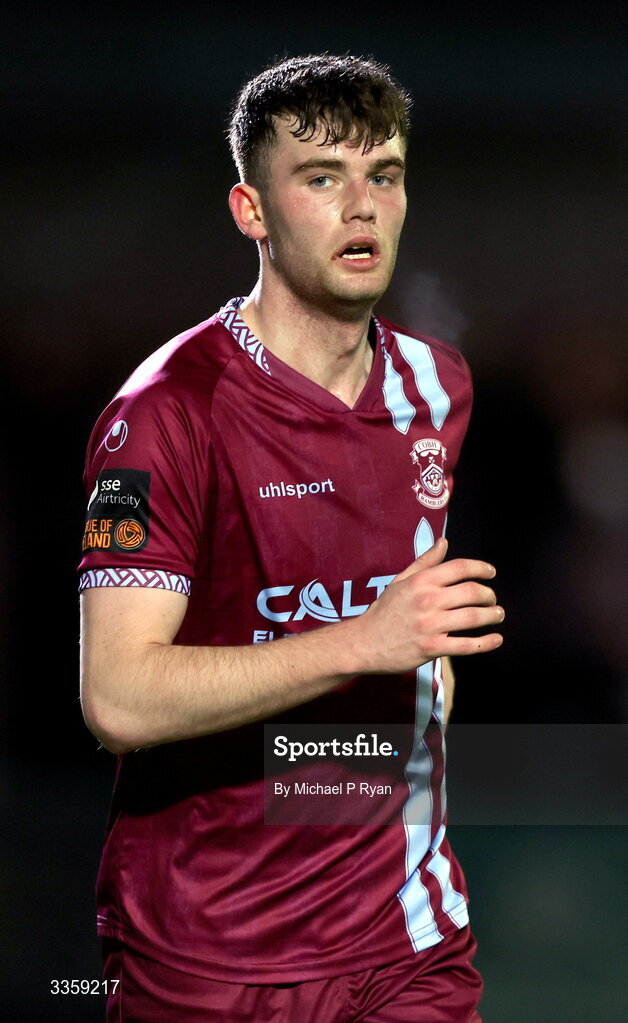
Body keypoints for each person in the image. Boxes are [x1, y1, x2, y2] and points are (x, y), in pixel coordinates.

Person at [79, 54, 504, 1023]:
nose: (362, 207)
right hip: (208, 958)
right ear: (252, 211)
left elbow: (401, 637)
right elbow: (117, 696)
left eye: (383, 176)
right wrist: (364, 643)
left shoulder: (436, 388)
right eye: (321, 178)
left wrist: (422, 673)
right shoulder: (160, 417)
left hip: (405, 944)